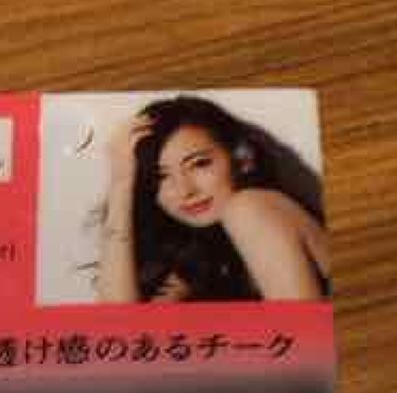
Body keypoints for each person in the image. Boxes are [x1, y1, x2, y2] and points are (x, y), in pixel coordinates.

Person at [96, 95, 330, 302]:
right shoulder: (203, 260)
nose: (185, 190)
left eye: (199, 164)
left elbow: (303, 337)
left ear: (243, 158)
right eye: (161, 176)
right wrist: (122, 182)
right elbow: (119, 327)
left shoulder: (251, 207)